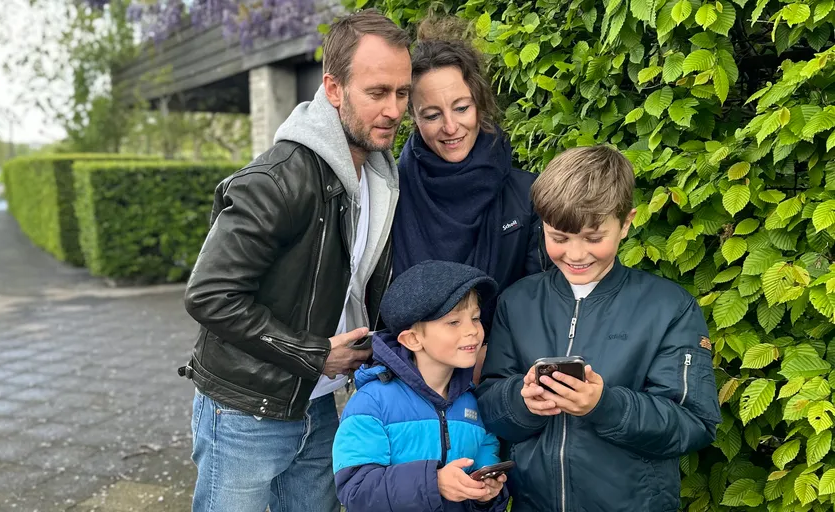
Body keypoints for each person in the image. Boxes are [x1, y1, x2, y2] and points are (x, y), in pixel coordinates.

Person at [178, 9, 412, 512]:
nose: (393, 109)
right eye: (377, 93)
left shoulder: (379, 177)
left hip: (321, 402)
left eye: (402, 92)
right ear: (333, 88)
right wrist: (312, 354)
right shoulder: (278, 180)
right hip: (245, 410)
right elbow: (209, 295)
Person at [475, 146, 721, 512]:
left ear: (626, 222)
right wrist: (521, 401)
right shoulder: (517, 302)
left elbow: (694, 423)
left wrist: (604, 405)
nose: (575, 254)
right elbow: (490, 405)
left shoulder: (669, 307)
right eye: (558, 237)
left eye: (593, 238)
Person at [392, 17, 545, 383]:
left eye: (461, 108)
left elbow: (538, 298)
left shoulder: (527, 195)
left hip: (499, 377)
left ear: (479, 102)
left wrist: (492, 356)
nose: (450, 127)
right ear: (413, 116)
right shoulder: (389, 193)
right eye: (431, 115)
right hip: (409, 381)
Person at [333, 260, 509, 511]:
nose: (473, 331)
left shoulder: (472, 403)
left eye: (476, 318)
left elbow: (482, 467)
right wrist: (433, 483)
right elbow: (356, 489)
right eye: (454, 322)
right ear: (413, 339)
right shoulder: (372, 403)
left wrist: (486, 495)